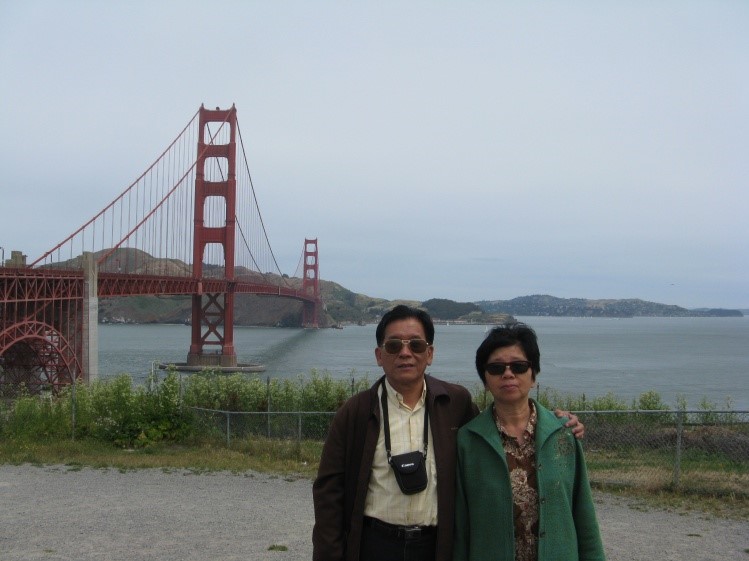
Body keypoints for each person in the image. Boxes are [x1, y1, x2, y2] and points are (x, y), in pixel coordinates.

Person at [313, 306, 585, 561]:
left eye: (416, 345)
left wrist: (554, 422)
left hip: (437, 546)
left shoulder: (455, 402)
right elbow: (329, 493)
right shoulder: (356, 412)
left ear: (430, 354)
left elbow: (494, 431)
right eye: (394, 345)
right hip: (374, 544)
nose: (405, 353)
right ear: (379, 355)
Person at [453, 323, 605, 561]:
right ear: (485, 380)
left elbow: (583, 513)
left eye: (519, 366)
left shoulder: (563, 434)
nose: (508, 374)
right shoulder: (468, 441)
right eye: (496, 368)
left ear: (533, 375)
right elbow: (461, 526)